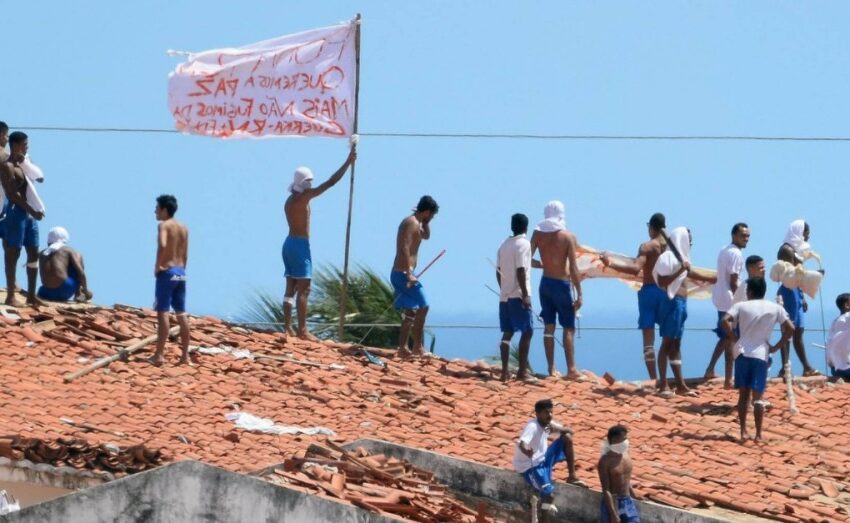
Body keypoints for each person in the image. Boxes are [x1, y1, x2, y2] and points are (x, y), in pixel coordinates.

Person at [282, 148, 357, 339]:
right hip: (299, 245)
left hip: (289, 244)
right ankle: (302, 330)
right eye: (309, 181)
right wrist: (348, 162)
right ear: (302, 182)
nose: (311, 183)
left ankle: (288, 326)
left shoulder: (290, 200)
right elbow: (330, 182)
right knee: (304, 287)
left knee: (290, 286)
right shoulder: (303, 198)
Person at [721, 277, 794, 441]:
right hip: (761, 354)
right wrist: (776, 346)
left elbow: (724, 320)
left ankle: (743, 431)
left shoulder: (740, 306)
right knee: (758, 397)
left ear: (749, 292)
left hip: (742, 353)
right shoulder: (775, 308)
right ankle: (759, 434)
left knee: (743, 395)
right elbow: (791, 328)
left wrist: (734, 338)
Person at [600, 212, 668, 380]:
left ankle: (654, 379)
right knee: (669, 339)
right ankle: (666, 379)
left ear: (651, 227)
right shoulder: (672, 247)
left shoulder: (647, 246)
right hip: (667, 293)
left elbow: (635, 268)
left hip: (650, 292)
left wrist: (611, 264)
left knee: (648, 342)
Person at [653, 227, 715, 397]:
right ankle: (663, 384)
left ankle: (680, 384)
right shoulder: (667, 258)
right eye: (689, 239)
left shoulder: (683, 259)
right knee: (667, 343)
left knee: (676, 344)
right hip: (671, 303)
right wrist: (680, 270)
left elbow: (691, 272)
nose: (691, 243)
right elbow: (662, 280)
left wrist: (715, 279)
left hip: (682, 303)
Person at [530, 201, 583, 379]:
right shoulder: (568, 237)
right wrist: (580, 292)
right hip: (561, 284)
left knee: (548, 327)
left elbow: (527, 259)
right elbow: (574, 268)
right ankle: (571, 369)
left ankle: (551, 369)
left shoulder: (537, 234)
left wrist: (542, 265)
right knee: (568, 327)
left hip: (545, 283)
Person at [513, 399, 584, 523]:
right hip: (531, 467)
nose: (550, 415)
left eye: (551, 412)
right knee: (549, 495)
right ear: (537, 414)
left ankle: (572, 476)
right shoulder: (533, 426)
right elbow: (522, 443)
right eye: (546, 412)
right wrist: (526, 450)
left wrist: (562, 429)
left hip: (543, 460)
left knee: (567, 438)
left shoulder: (546, 426)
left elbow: (564, 431)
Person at [392, 195, 439, 356]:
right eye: (431, 214)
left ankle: (403, 348)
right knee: (424, 305)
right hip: (403, 273)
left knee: (410, 312)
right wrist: (408, 272)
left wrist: (426, 222)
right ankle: (417, 346)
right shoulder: (411, 222)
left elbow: (426, 236)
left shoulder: (418, 223)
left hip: (404, 272)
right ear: (426, 211)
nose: (432, 218)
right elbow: (404, 248)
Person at [0, 132, 43, 306]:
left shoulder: (23, 163)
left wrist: (24, 161)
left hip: (28, 215)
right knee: (13, 252)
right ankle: (11, 295)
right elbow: (13, 194)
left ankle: (31, 295)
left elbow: (39, 177)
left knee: (33, 250)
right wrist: (32, 210)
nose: (27, 147)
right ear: (16, 145)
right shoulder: (6, 166)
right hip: (16, 212)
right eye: (25, 144)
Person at [704, 223, 750, 388]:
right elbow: (733, 281)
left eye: (747, 236)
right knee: (729, 337)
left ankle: (725, 377)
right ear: (734, 236)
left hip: (721, 298)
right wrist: (743, 300)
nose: (746, 239)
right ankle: (725, 377)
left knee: (727, 338)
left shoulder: (724, 250)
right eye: (743, 235)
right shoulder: (736, 253)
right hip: (730, 299)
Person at [148, 195, 190, 366]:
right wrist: (182, 269)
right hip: (181, 272)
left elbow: (163, 245)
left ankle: (159, 355)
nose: (155, 211)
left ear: (164, 209)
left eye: (157, 208)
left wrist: (158, 266)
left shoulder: (164, 225)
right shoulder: (184, 227)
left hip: (167, 271)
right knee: (181, 313)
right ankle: (185, 356)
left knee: (163, 312)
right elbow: (186, 253)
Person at [775, 220, 819, 377]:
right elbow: (790, 275)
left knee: (799, 330)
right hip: (788, 292)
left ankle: (805, 366)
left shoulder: (795, 250)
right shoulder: (786, 250)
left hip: (796, 292)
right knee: (788, 330)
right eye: (806, 232)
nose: (807, 236)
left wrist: (803, 296)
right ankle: (785, 367)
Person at [496, 213, 534, 382]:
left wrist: (503, 288)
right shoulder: (524, 244)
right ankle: (521, 372)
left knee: (507, 333)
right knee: (527, 331)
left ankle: (504, 372)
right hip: (518, 295)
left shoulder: (503, 245)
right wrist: (525, 295)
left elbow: (498, 271)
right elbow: (521, 270)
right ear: (526, 227)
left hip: (504, 296)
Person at [36, 227, 92, 302]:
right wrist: (86, 291)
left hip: (44, 292)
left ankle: (78, 292)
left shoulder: (42, 253)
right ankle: (78, 294)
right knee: (77, 257)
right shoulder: (67, 250)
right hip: (65, 289)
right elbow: (81, 272)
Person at [598, 425, 639, 523]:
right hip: (613, 503)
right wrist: (613, 514)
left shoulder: (626, 455)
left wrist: (634, 495)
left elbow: (625, 479)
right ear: (615, 439)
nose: (626, 441)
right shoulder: (605, 461)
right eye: (624, 438)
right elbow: (606, 489)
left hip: (627, 502)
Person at [826, 293, 850, 380]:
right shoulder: (848, 317)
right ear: (847, 305)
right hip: (846, 368)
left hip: (835, 369)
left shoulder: (835, 321)